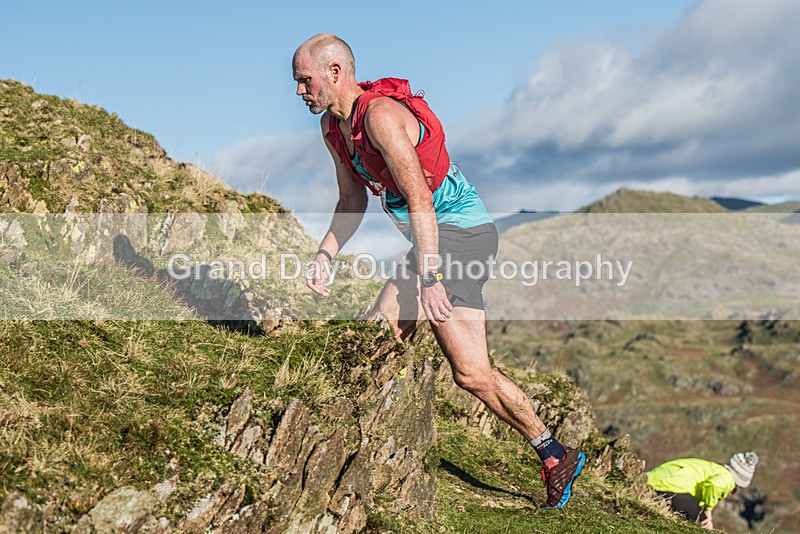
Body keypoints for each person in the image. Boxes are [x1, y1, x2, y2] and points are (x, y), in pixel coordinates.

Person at [292, 33, 586, 508]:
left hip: (462, 235)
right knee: (383, 339)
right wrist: (325, 254)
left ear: (335, 72)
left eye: (306, 80)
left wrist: (430, 279)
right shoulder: (333, 127)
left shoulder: (380, 117)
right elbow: (350, 200)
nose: (300, 91)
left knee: (466, 371)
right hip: (433, 241)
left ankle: (555, 454)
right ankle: (352, 450)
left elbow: (420, 197)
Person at [646, 452, 759, 530]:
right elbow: (713, 484)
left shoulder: (713, 467)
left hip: (653, 480)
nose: (728, 495)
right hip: (674, 488)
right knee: (704, 525)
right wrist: (708, 511)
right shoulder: (727, 477)